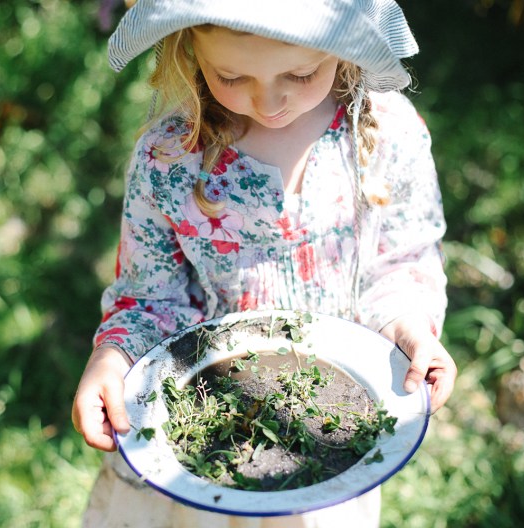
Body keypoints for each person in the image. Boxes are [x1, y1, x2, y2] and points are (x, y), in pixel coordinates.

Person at [72, 0, 457, 526]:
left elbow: (401, 262)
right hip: (203, 433)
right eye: (231, 75)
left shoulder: (387, 134)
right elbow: (150, 295)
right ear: (189, 48)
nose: (269, 100)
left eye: (301, 73)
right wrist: (113, 360)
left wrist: (411, 332)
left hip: (325, 427)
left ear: (344, 46)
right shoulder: (170, 158)